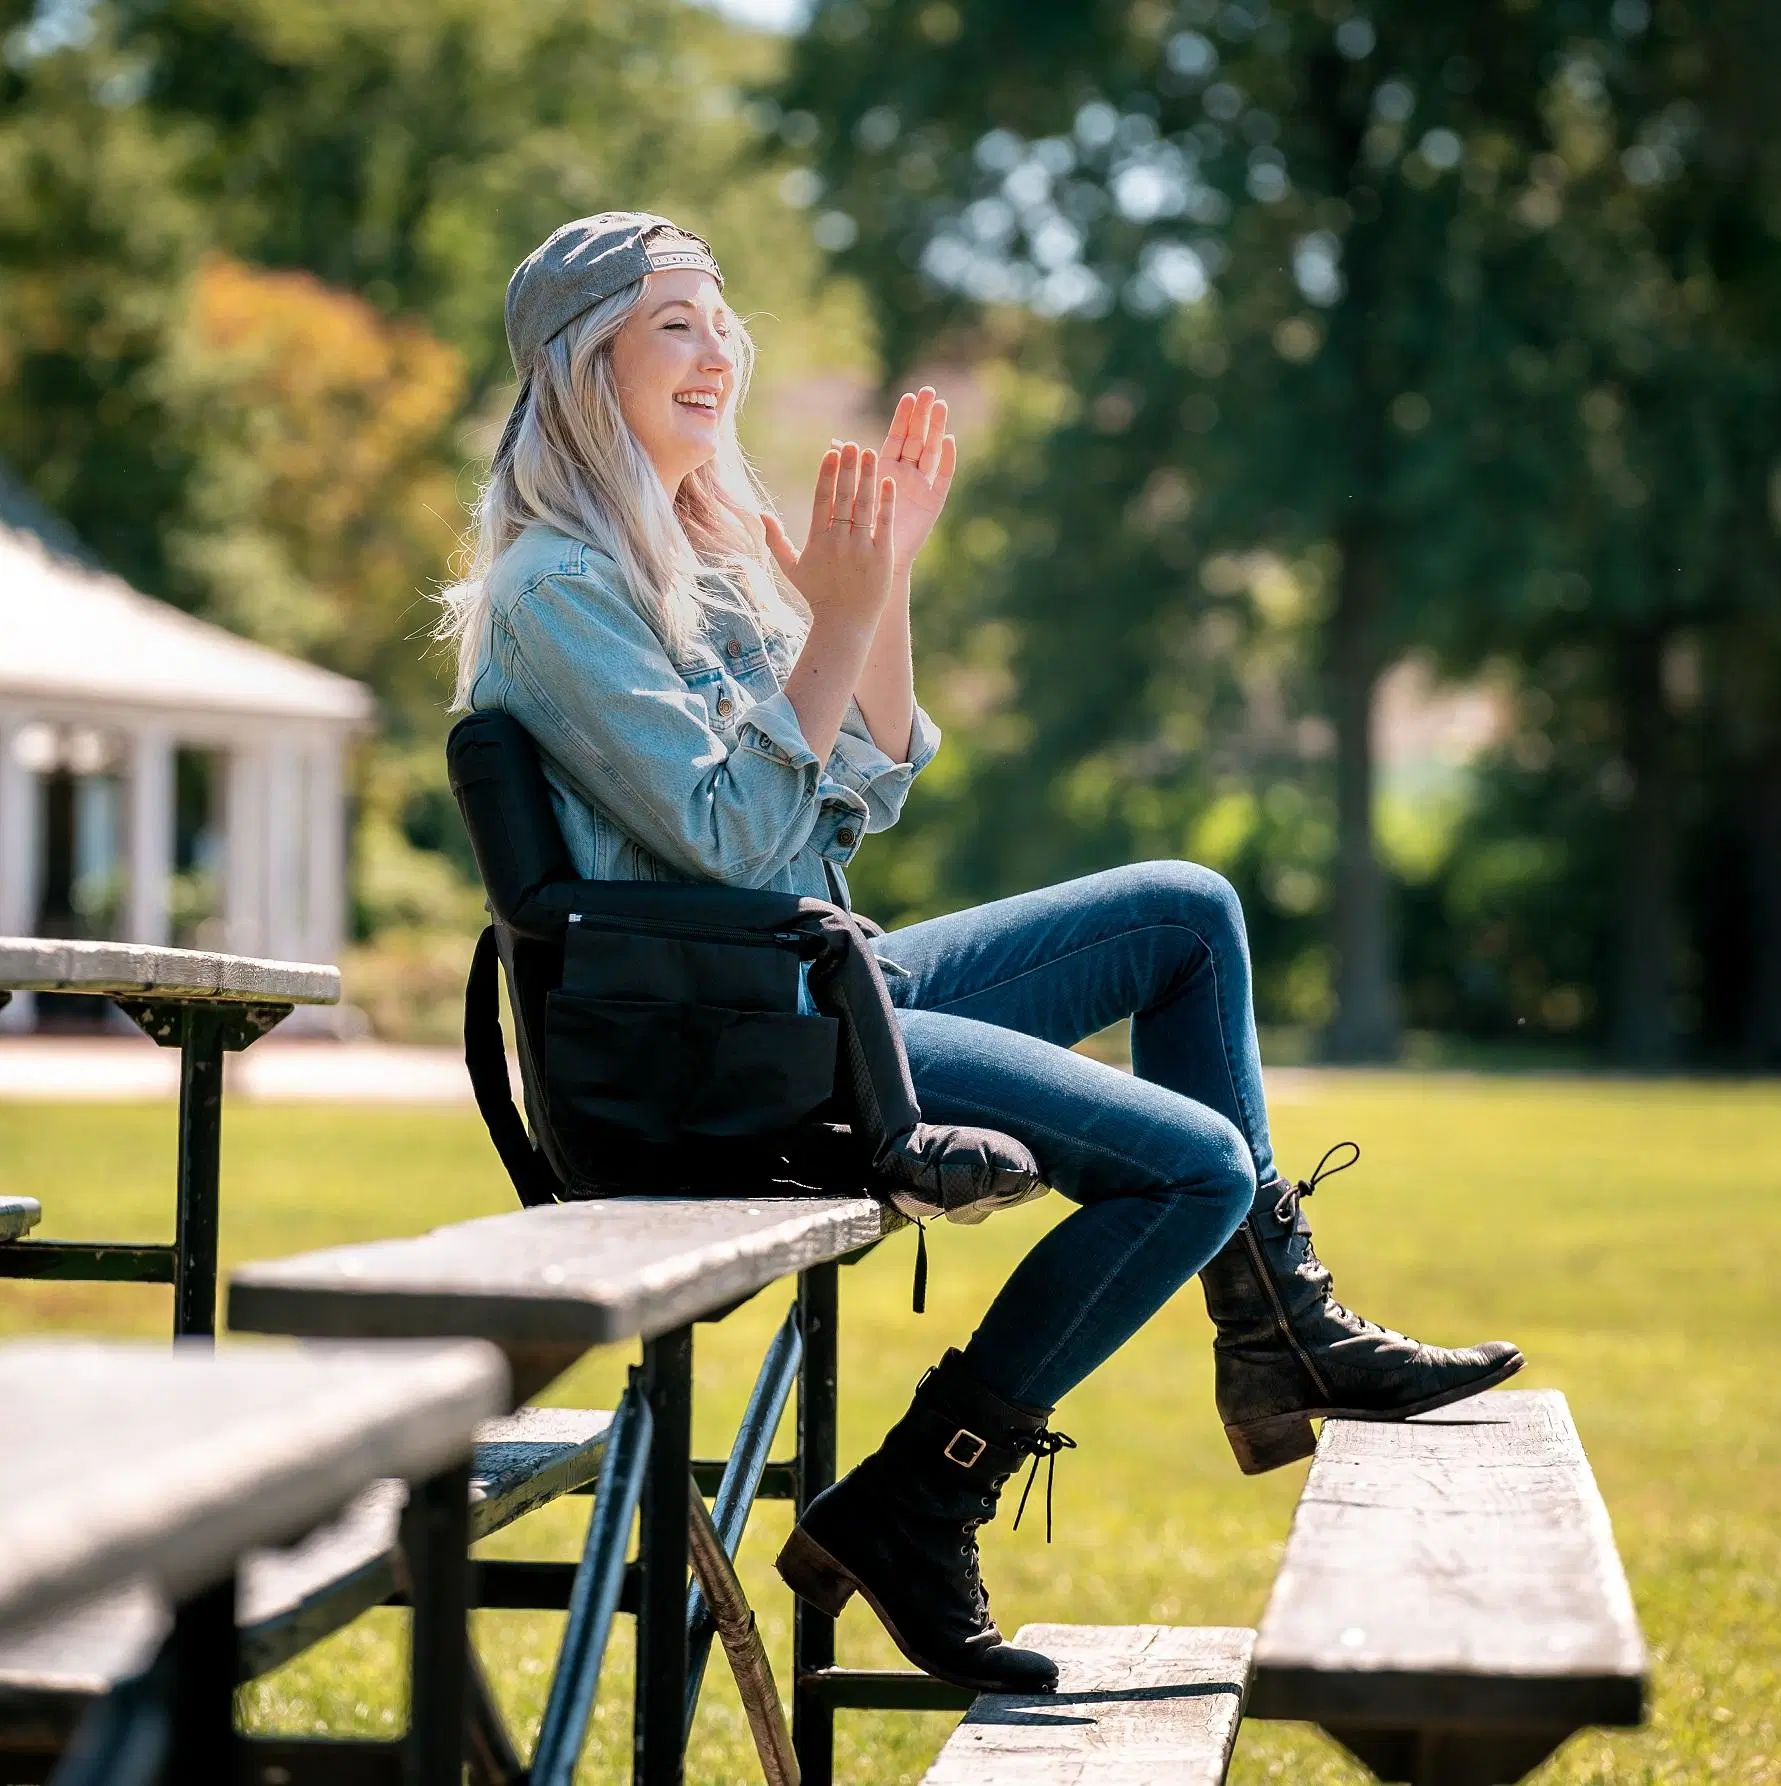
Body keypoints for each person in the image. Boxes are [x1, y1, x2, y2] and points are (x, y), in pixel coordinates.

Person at [436, 212, 1524, 1698]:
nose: (719, 349)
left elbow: (862, 786)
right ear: (583, 363)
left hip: (802, 991)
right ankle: (919, 1496)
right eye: (673, 321)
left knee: (1181, 910)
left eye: (719, 318)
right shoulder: (562, 586)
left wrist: (875, 594)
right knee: (1191, 1167)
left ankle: (1286, 1332)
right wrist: (833, 609)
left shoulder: (693, 546)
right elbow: (748, 841)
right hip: (724, 1053)